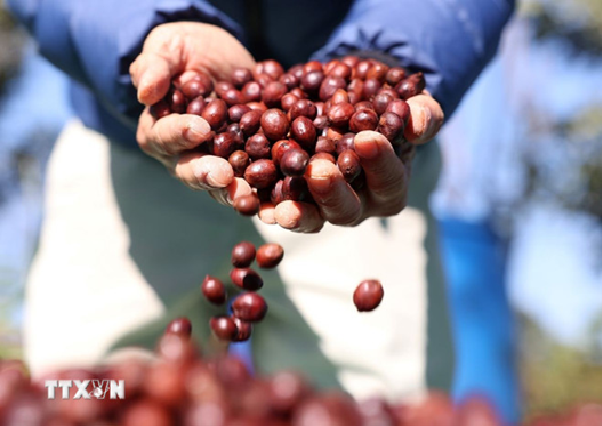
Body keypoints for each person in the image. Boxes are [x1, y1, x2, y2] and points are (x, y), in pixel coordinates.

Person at [6, 0, 515, 403]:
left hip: (357, 174)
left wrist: (393, 57)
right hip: (127, 127)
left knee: (374, 399)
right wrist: (140, 33)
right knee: (86, 391)